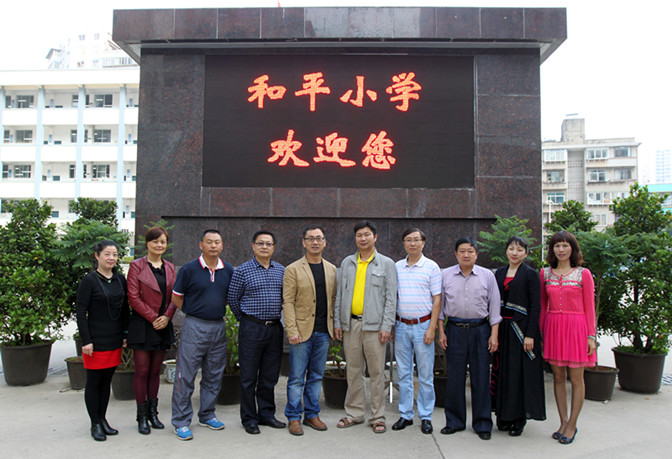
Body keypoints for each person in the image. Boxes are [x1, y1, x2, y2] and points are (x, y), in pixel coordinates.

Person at [334, 221, 397, 434]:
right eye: (359, 235)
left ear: (375, 237)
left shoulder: (386, 263)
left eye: (367, 234)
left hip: (375, 327)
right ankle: (355, 412)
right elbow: (340, 295)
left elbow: (391, 298)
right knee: (353, 370)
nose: (363, 238)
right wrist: (338, 323)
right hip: (351, 325)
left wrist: (386, 325)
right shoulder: (348, 263)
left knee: (377, 372)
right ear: (355, 238)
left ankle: (377, 416)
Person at [171, 229, 234, 441]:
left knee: (214, 374)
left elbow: (228, 298)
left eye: (217, 242)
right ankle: (180, 421)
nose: (213, 246)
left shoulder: (229, 270)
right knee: (185, 375)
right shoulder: (189, 269)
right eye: (209, 242)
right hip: (194, 327)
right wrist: (194, 311)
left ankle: (207, 415)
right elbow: (176, 298)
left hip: (217, 326)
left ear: (222, 245)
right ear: (201, 245)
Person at [438, 237, 501, 440]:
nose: (466, 254)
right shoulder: (445, 275)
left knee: (481, 376)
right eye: (462, 251)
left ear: (476, 254)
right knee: (455, 377)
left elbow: (494, 307)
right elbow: (439, 307)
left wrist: (494, 334)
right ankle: (454, 422)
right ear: (456, 254)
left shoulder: (487, 276)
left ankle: (482, 423)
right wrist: (441, 331)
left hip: (480, 330)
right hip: (454, 329)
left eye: (470, 251)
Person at [540, 231, 596, 445]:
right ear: (552, 249)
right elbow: (543, 307)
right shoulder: (545, 274)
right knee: (558, 377)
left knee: (576, 378)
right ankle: (562, 421)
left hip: (577, 328)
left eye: (565, 245)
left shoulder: (583, 274)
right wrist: (542, 332)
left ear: (572, 248)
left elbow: (589, 307)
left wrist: (591, 335)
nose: (561, 250)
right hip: (554, 328)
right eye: (557, 246)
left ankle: (572, 424)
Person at [228, 230, 286, 435]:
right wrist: (244, 319)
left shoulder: (281, 270)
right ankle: (249, 418)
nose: (264, 247)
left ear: (274, 248)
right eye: (260, 243)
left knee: (269, 376)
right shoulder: (242, 270)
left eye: (268, 244)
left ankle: (267, 414)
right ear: (253, 246)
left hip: (275, 329)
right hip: (251, 328)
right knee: (248, 376)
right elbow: (233, 299)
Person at [282, 226, 337, 436]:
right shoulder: (293, 269)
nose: (315, 242)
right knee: (296, 377)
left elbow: (333, 300)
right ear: (303, 242)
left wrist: (335, 326)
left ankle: (312, 414)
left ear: (325, 242)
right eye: (311, 238)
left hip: (324, 331)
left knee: (316, 376)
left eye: (319, 238)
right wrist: (291, 329)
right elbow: (288, 301)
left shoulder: (332, 269)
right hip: (301, 332)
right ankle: (294, 417)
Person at [490, 236, 546, 437]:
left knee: (518, 375)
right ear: (506, 251)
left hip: (521, 332)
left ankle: (518, 419)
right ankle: (503, 417)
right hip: (502, 330)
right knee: (502, 373)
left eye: (519, 249)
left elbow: (535, 306)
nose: (515, 253)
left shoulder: (530, 275)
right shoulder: (499, 273)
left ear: (526, 253)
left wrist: (530, 334)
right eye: (511, 248)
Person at [76, 240, 129, 442]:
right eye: (107, 254)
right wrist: (86, 340)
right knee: (94, 381)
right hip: (95, 340)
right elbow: (81, 312)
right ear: (97, 256)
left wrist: (125, 333)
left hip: (114, 338)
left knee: (107, 381)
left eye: (115, 254)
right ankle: (95, 423)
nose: (111, 258)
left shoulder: (119, 280)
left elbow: (125, 309)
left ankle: (103, 419)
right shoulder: (89, 281)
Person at [127, 226, 177, 435]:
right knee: (142, 371)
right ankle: (141, 417)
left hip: (163, 324)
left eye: (163, 242)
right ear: (147, 243)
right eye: (155, 241)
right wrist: (154, 317)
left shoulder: (170, 267)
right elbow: (133, 297)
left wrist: (166, 316)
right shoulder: (136, 266)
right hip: (143, 324)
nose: (159, 245)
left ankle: (153, 414)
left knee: (156, 371)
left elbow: (177, 295)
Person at [391, 228, 441, 435]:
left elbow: (437, 299)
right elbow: (392, 297)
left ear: (423, 243)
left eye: (416, 240)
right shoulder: (396, 267)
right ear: (403, 243)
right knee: (403, 372)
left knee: (425, 374)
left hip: (423, 326)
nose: (412, 244)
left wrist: (432, 327)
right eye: (408, 240)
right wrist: (392, 325)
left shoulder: (431, 267)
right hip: (401, 325)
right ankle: (405, 414)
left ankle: (426, 416)